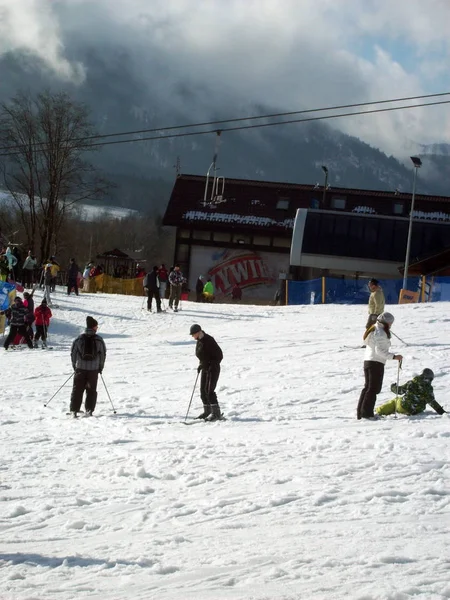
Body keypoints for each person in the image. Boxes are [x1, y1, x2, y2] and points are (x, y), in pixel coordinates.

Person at [357, 312, 403, 420]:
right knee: (373, 388)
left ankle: (361, 412)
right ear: (387, 323)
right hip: (376, 362)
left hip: (368, 360)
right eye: (390, 323)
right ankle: (367, 414)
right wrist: (394, 357)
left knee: (368, 387)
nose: (391, 325)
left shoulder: (374, 328)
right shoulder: (380, 332)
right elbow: (379, 351)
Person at [69, 316, 107, 417]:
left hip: (80, 368)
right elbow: (103, 355)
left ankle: (74, 410)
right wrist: (100, 367)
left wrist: (75, 366)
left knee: (77, 389)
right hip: (93, 370)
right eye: (96, 326)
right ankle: (89, 410)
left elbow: (73, 354)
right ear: (94, 327)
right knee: (91, 390)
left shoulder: (78, 339)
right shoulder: (99, 340)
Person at [376, 368, 446, 417]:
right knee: (399, 402)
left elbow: (399, 391)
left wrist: (393, 387)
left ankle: (379, 411)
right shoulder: (428, 389)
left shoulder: (412, 383)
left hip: (403, 406)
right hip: (416, 411)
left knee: (395, 401)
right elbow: (431, 401)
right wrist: (441, 411)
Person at [190, 323, 224, 421]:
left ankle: (216, 413)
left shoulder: (209, 340)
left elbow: (219, 355)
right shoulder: (199, 341)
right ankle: (207, 411)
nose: (193, 336)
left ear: (198, 332)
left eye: (193, 334)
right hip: (205, 368)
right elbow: (202, 355)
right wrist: (201, 364)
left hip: (213, 369)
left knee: (209, 391)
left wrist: (210, 364)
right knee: (202, 391)